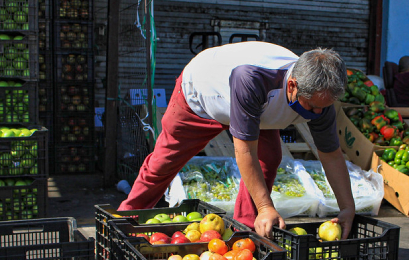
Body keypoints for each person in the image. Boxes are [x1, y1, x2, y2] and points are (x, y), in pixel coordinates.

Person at [118, 41, 356, 239]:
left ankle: (244, 229)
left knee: (270, 158)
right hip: (200, 97)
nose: (317, 114)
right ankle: (122, 223)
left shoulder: (320, 98)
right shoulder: (253, 79)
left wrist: (347, 207)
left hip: (257, 109)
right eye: (312, 107)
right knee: (164, 161)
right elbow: (244, 152)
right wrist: (266, 207)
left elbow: (330, 153)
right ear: (292, 85)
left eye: (322, 108)